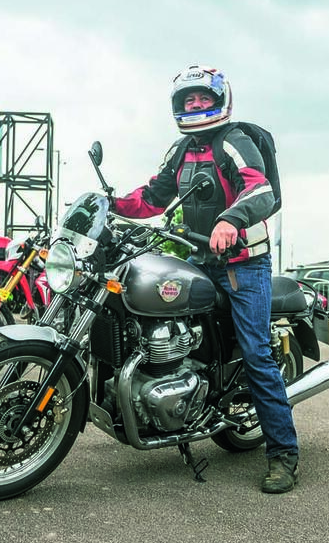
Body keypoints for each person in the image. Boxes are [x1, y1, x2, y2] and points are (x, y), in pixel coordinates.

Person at [111, 65, 300, 494]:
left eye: (203, 98)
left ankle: (283, 454)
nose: (196, 105)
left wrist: (231, 219)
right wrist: (112, 205)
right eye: (188, 100)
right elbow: (153, 196)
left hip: (242, 265)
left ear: (220, 101)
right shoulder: (181, 150)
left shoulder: (234, 141)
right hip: (199, 259)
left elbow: (261, 189)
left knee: (256, 354)